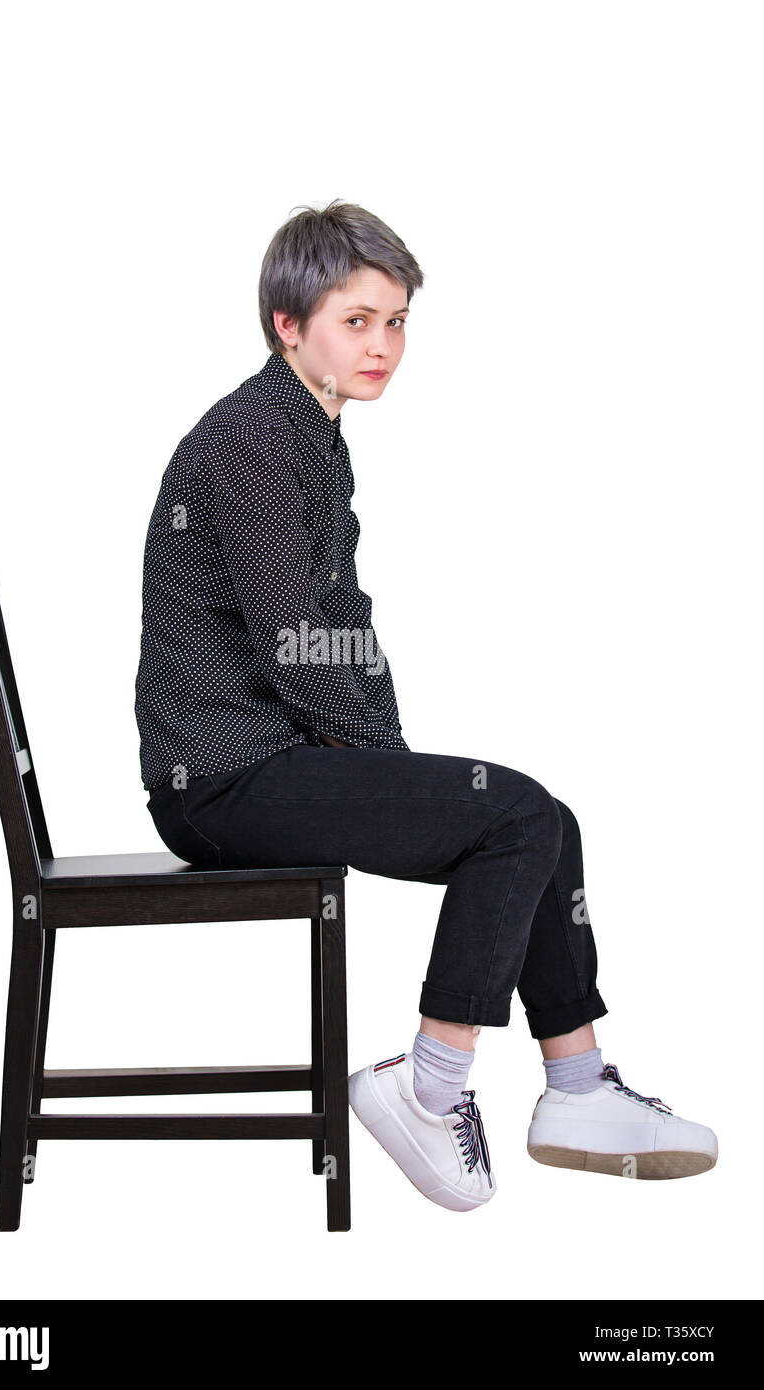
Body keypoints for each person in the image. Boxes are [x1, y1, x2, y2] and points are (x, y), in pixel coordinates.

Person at [134, 199, 717, 1211]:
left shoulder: (310, 434)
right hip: (221, 779)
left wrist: (388, 755)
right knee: (515, 813)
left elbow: (344, 623)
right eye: (355, 320)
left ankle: (576, 1084)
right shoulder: (251, 442)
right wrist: (389, 764)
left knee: (542, 819)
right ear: (287, 324)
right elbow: (295, 646)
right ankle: (426, 1085)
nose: (383, 344)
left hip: (272, 762)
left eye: (396, 320)